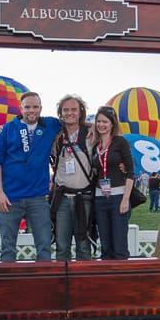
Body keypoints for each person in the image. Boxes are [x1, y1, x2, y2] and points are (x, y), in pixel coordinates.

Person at [0, 91, 61, 262]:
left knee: (44, 246)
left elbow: (75, 123)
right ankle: (10, 286)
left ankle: (44, 284)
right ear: (20, 108)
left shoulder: (50, 125)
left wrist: (93, 129)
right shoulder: (8, 129)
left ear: (41, 108)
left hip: (38, 198)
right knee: (7, 248)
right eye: (27, 107)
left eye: (35, 107)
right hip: (10, 198)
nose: (32, 110)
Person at [51, 94, 95, 261]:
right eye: (66, 110)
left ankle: (84, 285)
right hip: (62, 197)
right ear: (60, 113)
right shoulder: (56, 137)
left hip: (84, 197)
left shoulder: (91, 133)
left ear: (80, 112)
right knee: (62, 247)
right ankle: (63, 285)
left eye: (73, 109)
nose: (70, 113)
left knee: (83, 246)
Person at [91, 106, 134, 259]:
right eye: (98, 121)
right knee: (105, 245)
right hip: (100, 198)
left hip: (118, 197)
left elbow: (130, 172)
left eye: (105, 121)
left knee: (119, 244)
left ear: (112, 124)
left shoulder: (120, 142)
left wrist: (125, 199)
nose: (101, 125)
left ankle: (122, 279)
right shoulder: (95, 145)